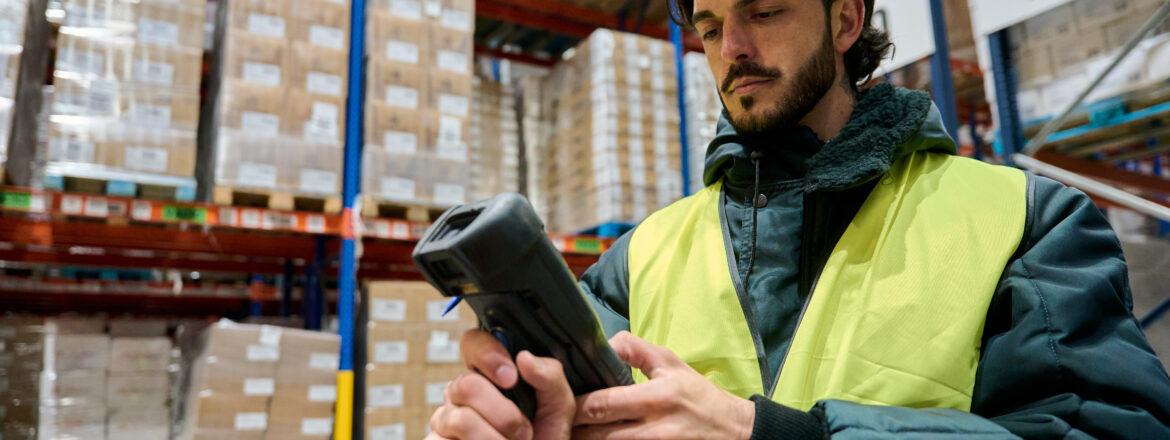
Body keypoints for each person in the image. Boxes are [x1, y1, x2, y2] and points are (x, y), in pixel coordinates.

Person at [427, 0, 1170, 438]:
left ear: (845, 18)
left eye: (765, 9)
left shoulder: (1026, 221)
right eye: (712, 25)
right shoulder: (641, 255)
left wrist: (773, 435)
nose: (733, 49)